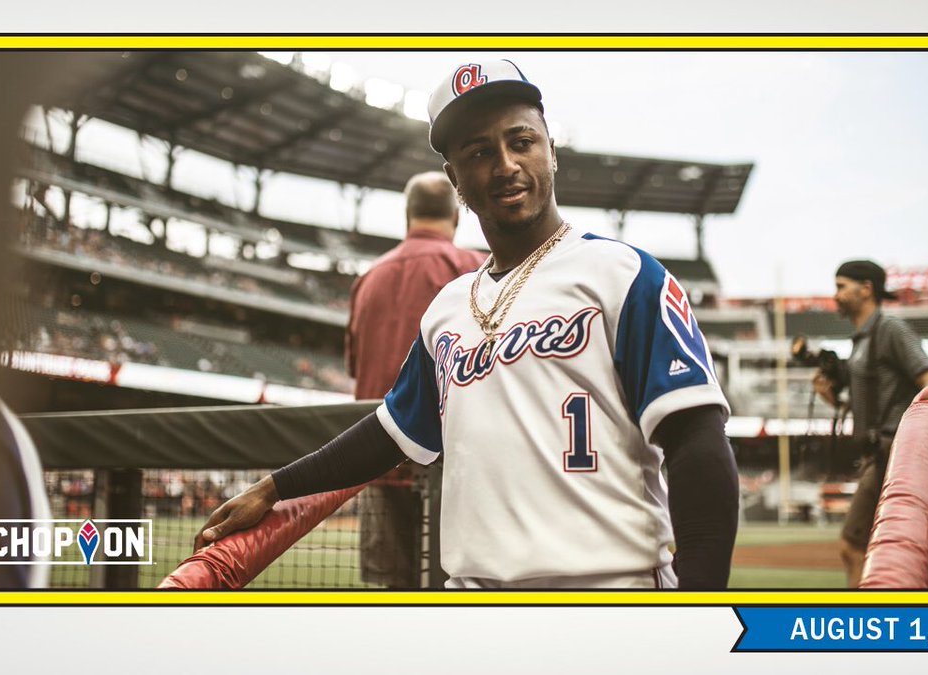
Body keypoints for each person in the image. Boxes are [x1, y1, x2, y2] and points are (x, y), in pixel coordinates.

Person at [196, 59, 740, 590]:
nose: (505, 165)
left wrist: (697, 606)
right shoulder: (449, 307)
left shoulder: (624, 274)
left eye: (521, 141)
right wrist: (275, 488)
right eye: (480, 152)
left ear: (552, 151)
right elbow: (389, 434)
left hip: (608, 592)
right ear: (455, 179)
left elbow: (696, 441)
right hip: (472, 601)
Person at [345, 171, 486, 588]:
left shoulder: (368, 279)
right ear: (456, 217)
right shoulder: (476, 269)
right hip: (455, 467)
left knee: (386, 599)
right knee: (457, 600)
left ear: (407, 216)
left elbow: (356, 368)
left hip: (380, 457)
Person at [813, 259, 928, 588]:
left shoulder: (890, 329)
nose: (836, 295)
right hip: (881, 452)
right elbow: (869, 403)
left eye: (841, 286)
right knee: (874, 551)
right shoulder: (862, 340)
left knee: (852, 547)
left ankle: (863, 626)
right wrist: (835, 400)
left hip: (894, 452)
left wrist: (917, 444)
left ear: (866, 288)